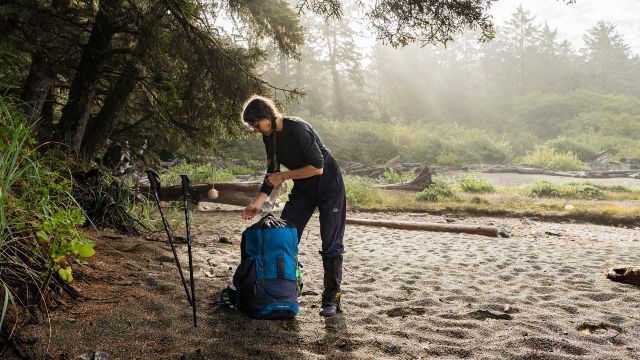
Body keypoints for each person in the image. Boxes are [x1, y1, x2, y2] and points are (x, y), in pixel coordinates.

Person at [240, 95, 346, 317]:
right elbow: (272, 173)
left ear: (267, 115)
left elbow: (318, 167)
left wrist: (284, 175)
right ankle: (284, 290)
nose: (255, 129)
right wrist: (257, 204)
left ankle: (332, 298)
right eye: (252, 126)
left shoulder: (298, 128)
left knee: (331, 243)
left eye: (255, 124)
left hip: (329, 187)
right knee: (283, 234)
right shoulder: (269, 137)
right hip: (304, 189)